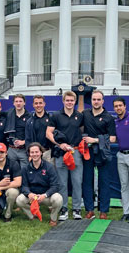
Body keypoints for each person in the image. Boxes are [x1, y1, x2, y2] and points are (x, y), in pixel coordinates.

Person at [46, 90, 84, 221]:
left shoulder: (79, 116)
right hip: (61, 153)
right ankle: (63, 209)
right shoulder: (56, 115)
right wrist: (59, 144)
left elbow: (84, 131)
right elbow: (48, 133)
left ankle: (77, 209)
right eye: (67, 100)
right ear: (63, 101)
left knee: (77, 182)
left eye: (72, 100)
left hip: (76, 152)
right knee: (62, 183)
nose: (69, 103)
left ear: (74, 101)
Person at [82, 90, 116, 220]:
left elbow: (112, 138)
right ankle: (89, 210)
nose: (96, 102)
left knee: (104, 182)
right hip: (88, 152)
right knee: (87, 181)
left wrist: (95, 140)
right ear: (91, 101)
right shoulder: (85, 114)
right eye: (94, 99)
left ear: (103, 101)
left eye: (98, 99)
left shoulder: (108, 117)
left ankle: (103, 211)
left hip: (103, 153)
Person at [16, 142, 62, 226]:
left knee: (58, 198)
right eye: (32, 152)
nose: (35, 154)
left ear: (41, 152)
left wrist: (45, 195)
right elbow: (24, 186)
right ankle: (32, 215)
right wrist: (29, 194)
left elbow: (55, 185)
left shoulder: (49, 167)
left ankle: (53, 218)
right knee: (19, 200)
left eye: (36, 152)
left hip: (46, 196)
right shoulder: (25, 168)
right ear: (29, 154)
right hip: (32, 197)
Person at [4, 94, 30, 169]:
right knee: (11, 172)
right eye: (16, 101)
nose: (18, 103)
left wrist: (23, 142)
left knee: (24, 172)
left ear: (24, 103)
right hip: (11, 149)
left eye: (20, 101)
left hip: (24, 150)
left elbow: (32, 134)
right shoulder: (9, 113)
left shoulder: (29, 116)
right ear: (13, 103)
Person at [25, 95, 52, 161]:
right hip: (34, 154)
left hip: (47, 152)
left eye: (40, 103)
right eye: (36, 103)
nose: (38, 105)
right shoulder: (29, 121)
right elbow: (28, 139)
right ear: (33, 105)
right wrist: (29, 154)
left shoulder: (51, 118)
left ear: (44, 104)